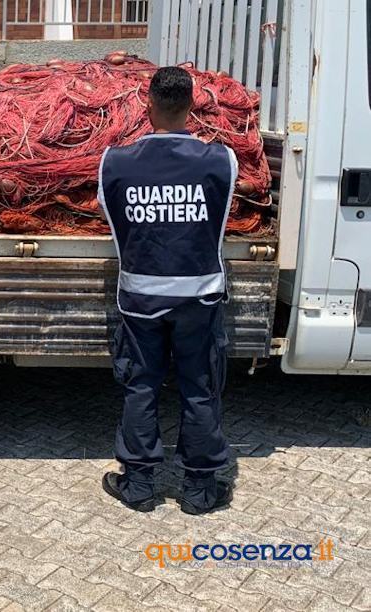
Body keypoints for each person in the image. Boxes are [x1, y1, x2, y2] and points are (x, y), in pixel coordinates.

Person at [97, 66, 236, 515]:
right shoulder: (221, 161)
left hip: (140, 300)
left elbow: (109, 216)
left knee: (141, 386)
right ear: (192, 105)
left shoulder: (115, 163)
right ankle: (198, 491)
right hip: (200, 300)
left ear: (148, 104)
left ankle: (139, 485)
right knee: (200, 388)